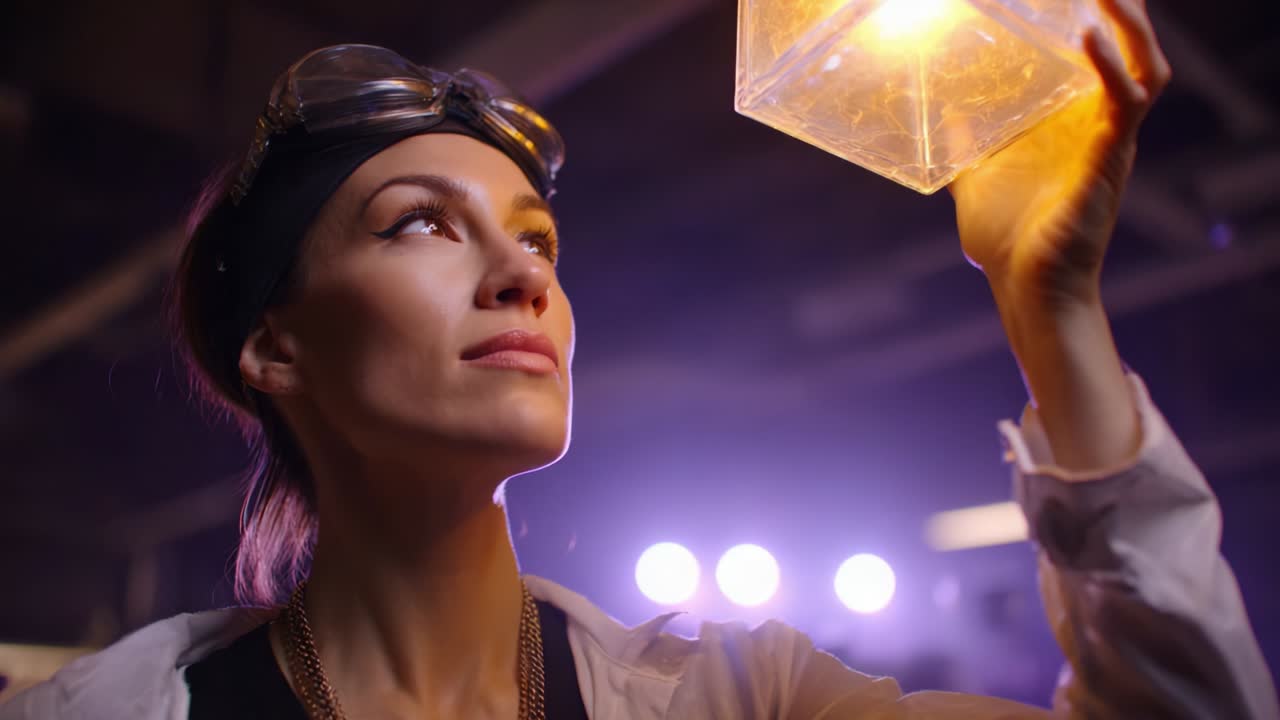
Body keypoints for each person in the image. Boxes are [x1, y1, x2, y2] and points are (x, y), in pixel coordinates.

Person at [2, 1, 1277, 718]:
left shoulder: (735, 699)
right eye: (421, 225)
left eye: (537, 236)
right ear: (272, 345)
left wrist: (1046, 306)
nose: (523, 274)